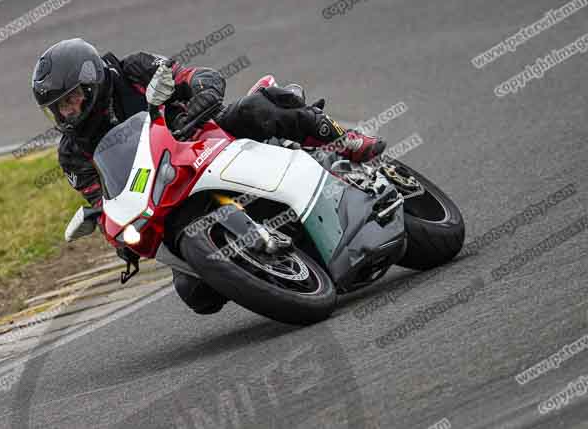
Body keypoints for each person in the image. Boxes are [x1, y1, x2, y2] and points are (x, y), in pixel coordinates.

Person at [31, 38, 385, 315]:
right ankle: (261, 270)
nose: (66, 112)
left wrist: (205, 92)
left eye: (71, 99)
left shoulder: (132, 70)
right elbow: (103, 198)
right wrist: (116, 233)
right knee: (196, 295)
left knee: (257, 108)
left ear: (92, 81)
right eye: (58, 108)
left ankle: (342, 139)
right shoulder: (72, 153)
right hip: (163, 193)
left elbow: (192, 75)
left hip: (204, 137)